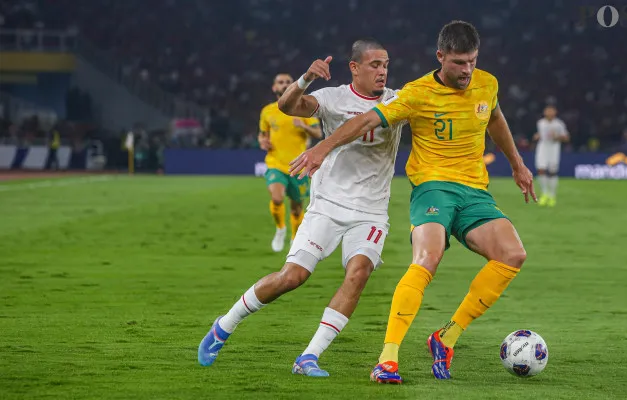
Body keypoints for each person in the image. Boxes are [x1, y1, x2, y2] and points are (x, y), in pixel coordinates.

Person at [289, 20, 537, 384]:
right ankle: (388, 359)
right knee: (428, 258)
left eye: (471, 61)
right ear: (440, 57)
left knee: (513, 254)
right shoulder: (415, 93)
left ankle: (445, 337)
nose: (467, 70)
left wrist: (518, 165)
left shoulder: (488, 83)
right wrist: (322, 148)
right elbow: (364, 122)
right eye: (458, 63)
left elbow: (495, 116)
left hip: (474, 191)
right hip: (433, 187)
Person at [198, 39, 405, 378]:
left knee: (359, 273)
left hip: (371, 210)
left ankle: (309, 356)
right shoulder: (333, 98)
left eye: (385, 64)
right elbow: (287, 106)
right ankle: (224, 325)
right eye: (374, 65)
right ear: (354, 67)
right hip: (327, 204)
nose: (382, 71)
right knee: (292, 277)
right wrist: (306, 78)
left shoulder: (396, 100)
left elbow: (398, 117)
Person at [258, 74, 322, 252]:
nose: (284, 84)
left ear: (293, 85)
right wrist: (262, 141)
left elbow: (318, 133)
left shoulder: (303, 108)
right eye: (280, 82)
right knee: (277, 198)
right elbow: (262, 134)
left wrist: (304, 126)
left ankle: (295, 237)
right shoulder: (267, 111)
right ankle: (280, 229)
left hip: (298, 165)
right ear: (274, 87)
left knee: (296, 208)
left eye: (288, 82)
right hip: (275, 163)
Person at [533, 105, 569, 207]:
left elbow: (566, 137)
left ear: (555, 112)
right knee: (541, 169)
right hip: (542, 147)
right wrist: (538, 135)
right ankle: (545, 193)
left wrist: (557, 137)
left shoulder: (559, 124)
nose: (549, 113)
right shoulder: (540, 123)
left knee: (552, 172)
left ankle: (552, 195)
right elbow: (541, 134)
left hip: (554, 148)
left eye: (551, 111)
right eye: (547, 111)